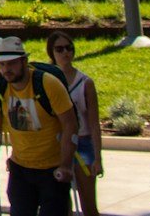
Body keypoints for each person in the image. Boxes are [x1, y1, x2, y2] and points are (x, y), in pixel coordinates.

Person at [0, 35, 76, 216]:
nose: (6, 69)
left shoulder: (48, 84)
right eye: (1, 64)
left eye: (11, 63)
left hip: (52, 169)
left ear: (24, 61)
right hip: (20, 168)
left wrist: (65, 165)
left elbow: (70, 125)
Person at [47, 32, 102, 216]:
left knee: (88, 205)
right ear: (51, 52)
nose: (65, 52)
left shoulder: (85, 82)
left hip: (82, 144)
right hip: (56, 145)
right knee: (62, 205)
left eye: (69, 48)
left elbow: (94, 122)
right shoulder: (45, 80)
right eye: (59, 49)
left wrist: (98, 157)